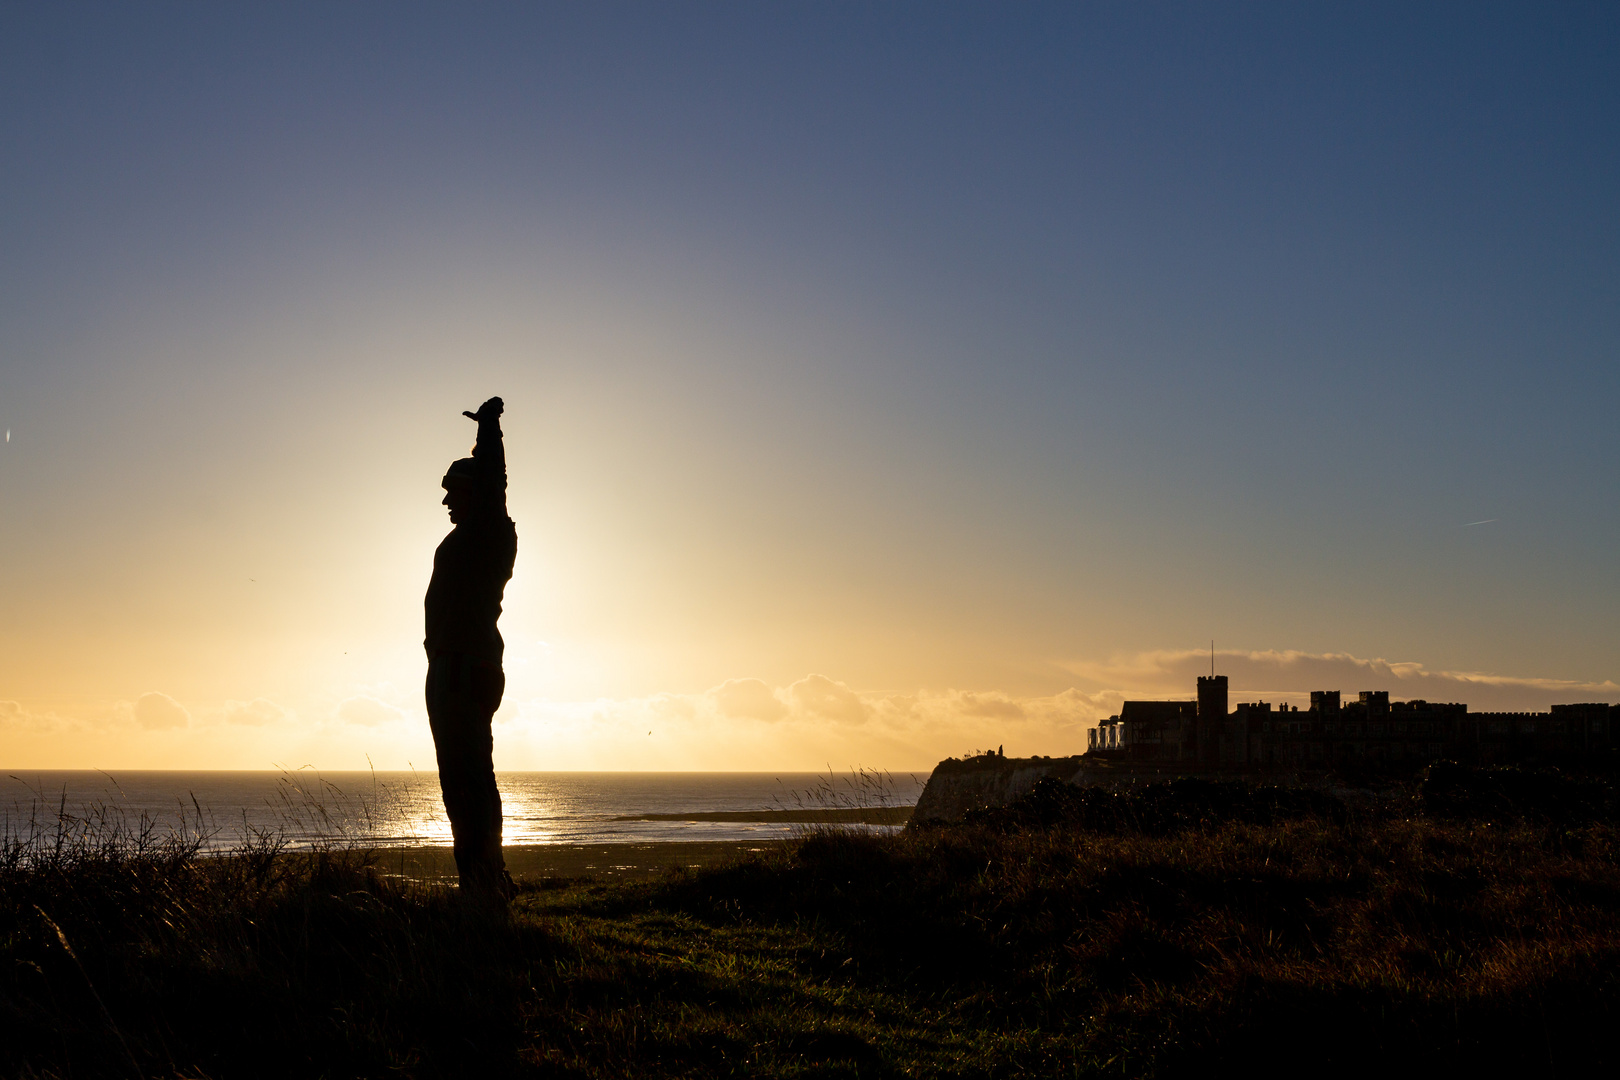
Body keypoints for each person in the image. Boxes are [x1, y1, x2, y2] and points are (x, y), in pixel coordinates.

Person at [424, 396, 517, 899]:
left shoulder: (488, 531)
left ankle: (485, 882)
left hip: (466, 666)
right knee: (458, 779)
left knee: (469, 778)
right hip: (449, 667)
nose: (445, 502)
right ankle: (481, 879)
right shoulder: (463, 539)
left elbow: (493, 485)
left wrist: (488, 432)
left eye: (452, 491)